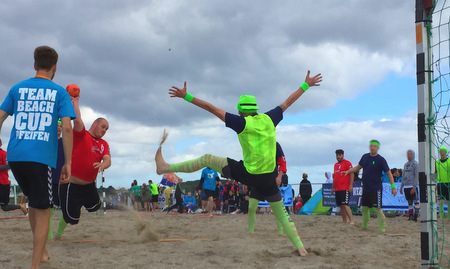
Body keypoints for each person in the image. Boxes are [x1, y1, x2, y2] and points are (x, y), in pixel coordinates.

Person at [155, 70, 322, 256]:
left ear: (242, 110)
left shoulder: (241, 122)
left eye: (239, 110)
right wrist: (306, 84)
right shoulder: (270, 118)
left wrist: (186, 96)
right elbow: (288, 102)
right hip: (268, 177)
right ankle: (301, 249)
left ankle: (166, 167)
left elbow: (211, 108)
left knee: (207, 159)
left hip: (248, 174)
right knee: (282, 215)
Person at [0, 46, 75, 268]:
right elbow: (68, 129)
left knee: (35, 203)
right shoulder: (59, 92)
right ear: (55, 67)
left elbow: (1, 116)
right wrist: (68, 162)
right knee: (44, 211)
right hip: (40, 156)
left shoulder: (17, 88)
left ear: (34, 65)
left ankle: (42, 252)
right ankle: (36, 263)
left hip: (15, 155)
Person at [55, 94, 111, 239]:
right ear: (95, 124)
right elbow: (78, 120)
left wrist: (103, 165)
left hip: (89, 186)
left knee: (95, 207)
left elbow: (108, 160)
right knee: (71, 220)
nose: (104, 130)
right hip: (71, 185)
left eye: (106, 129)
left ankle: (78, 205)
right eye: (103, 126)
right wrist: (75, 101)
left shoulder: (103, 144)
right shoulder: (81, 135)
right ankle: (58, 234)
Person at [342, 140, 397, 232]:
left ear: (378, 148)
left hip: (376, 188)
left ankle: (382, 228)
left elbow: (389, 173)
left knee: (378, 209)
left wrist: (393, 187)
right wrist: (348, 171)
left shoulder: (381, 159)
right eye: (371, 146)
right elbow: (358, 167)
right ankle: (364, 226)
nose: (372, 147)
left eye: (374, 146)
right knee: (364, 208)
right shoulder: (365, 157)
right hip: (366, 188)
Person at [248, 142, 287, 236]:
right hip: (257, 180)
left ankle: (280, 232)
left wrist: (279, 176)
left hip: (271, 180)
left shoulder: (275, 144)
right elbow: (250, 162)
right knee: (251, 207)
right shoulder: (256, 144)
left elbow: (282, 161)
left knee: (277, 209)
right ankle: (251, 232)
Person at [48, 120, 65, 240]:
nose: (59, 128)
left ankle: (59, 234)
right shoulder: (48, 142)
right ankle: (48, 236)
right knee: (49, 209)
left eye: (61, 126)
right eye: (57, 126)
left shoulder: (66, 142)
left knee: (68, 210)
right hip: (49, 177)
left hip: (63, 178)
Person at [0, 139, 27, 214]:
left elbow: (9, 165)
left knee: (4, 207)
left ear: (1, 144)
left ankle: (21, 206)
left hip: (3, 183)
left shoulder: (4, 153)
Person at [331, 149, 355, 225]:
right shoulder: (335, 165)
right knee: (341, 205)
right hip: (337, 188)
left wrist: (351, 185)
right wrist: (332, 187)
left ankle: (352, 220)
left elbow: (352, 174)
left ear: (342, 155)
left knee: (345, 204)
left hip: (345, 187)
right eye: (337, 155)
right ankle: (344, 221)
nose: (338, 157)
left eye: (339, 155)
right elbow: (335, 177)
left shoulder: (347, 163)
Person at [400, 150, 419, 221]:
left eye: (410, 154)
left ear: (413, 155)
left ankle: (416, 216)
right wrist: (401, 186)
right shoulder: (405, 164)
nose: (409, 155)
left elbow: (416, 176)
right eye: (408, 154)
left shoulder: (415, 164)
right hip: (406, 186)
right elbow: (403, 175)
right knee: (409, 202)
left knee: (416, 202)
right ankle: (410, 216)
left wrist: (414, 187)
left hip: (412, 185)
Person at [436, 146, 450, 220]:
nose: (442, 153)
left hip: (448, 183)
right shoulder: (437, 162)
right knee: (440, 201)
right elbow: (435, 172)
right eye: (440, 151)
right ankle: (441, 217)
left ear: (445, 152)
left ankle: (449, 217)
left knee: (448, 201)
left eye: (443, 151)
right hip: (440, 183)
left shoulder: (449, 161)